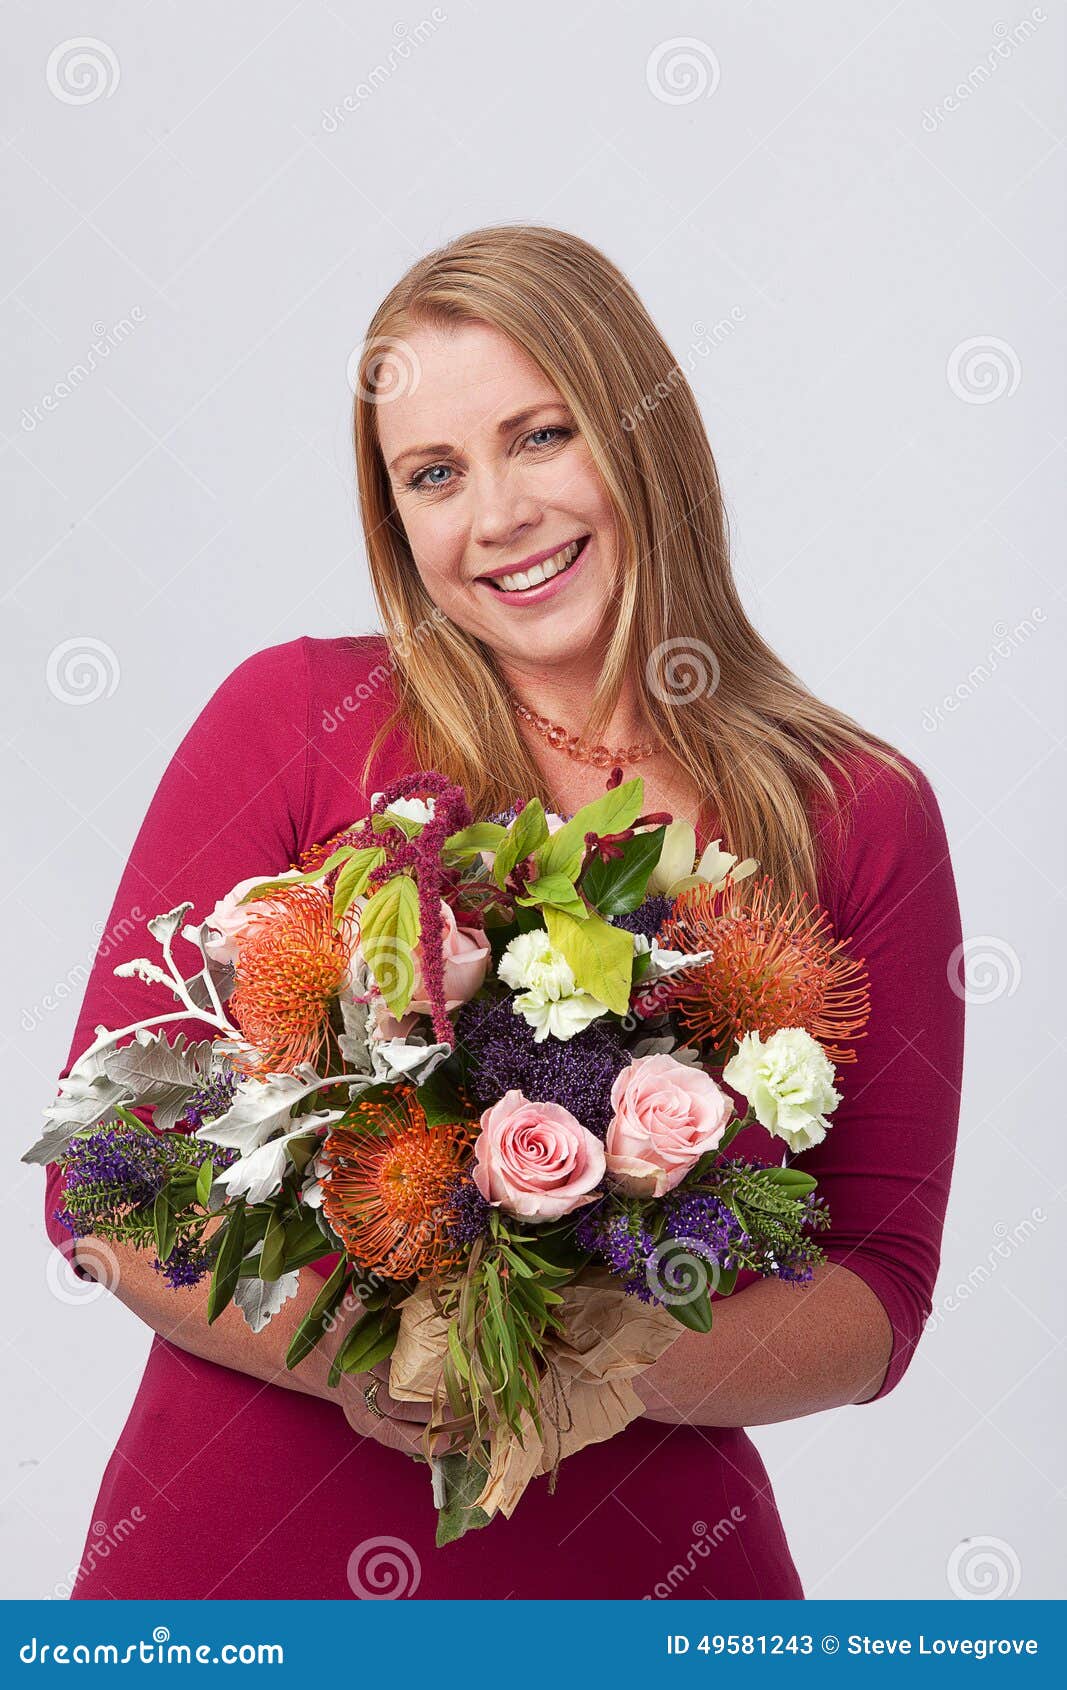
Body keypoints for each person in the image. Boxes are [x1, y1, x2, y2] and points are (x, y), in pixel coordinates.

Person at [42, 225, 964, 1600]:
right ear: (396, 518)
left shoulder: (855, 809)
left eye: (541, 436)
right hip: (236, 1582)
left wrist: (570, 1365)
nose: (498, 515)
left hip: (641, 1594)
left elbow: (877, 1291)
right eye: (434, 473)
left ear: (643, 434)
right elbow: (98, 1177)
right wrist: (355, 1344)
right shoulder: (295, 719)